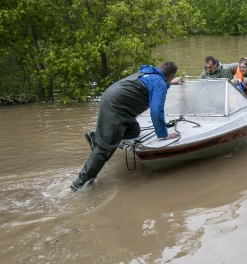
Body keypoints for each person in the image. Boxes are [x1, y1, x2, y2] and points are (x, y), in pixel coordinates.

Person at [71, 61, 181, 191]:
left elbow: (155, 84)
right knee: (104, 148)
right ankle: (79, 185)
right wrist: (163, 134)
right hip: (117, 108)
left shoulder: (149, 73)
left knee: (134, 131)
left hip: (112, 99)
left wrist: (169, 83)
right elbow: (156, 111)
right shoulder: (159, 83)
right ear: (171, 75)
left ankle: (97, 134)